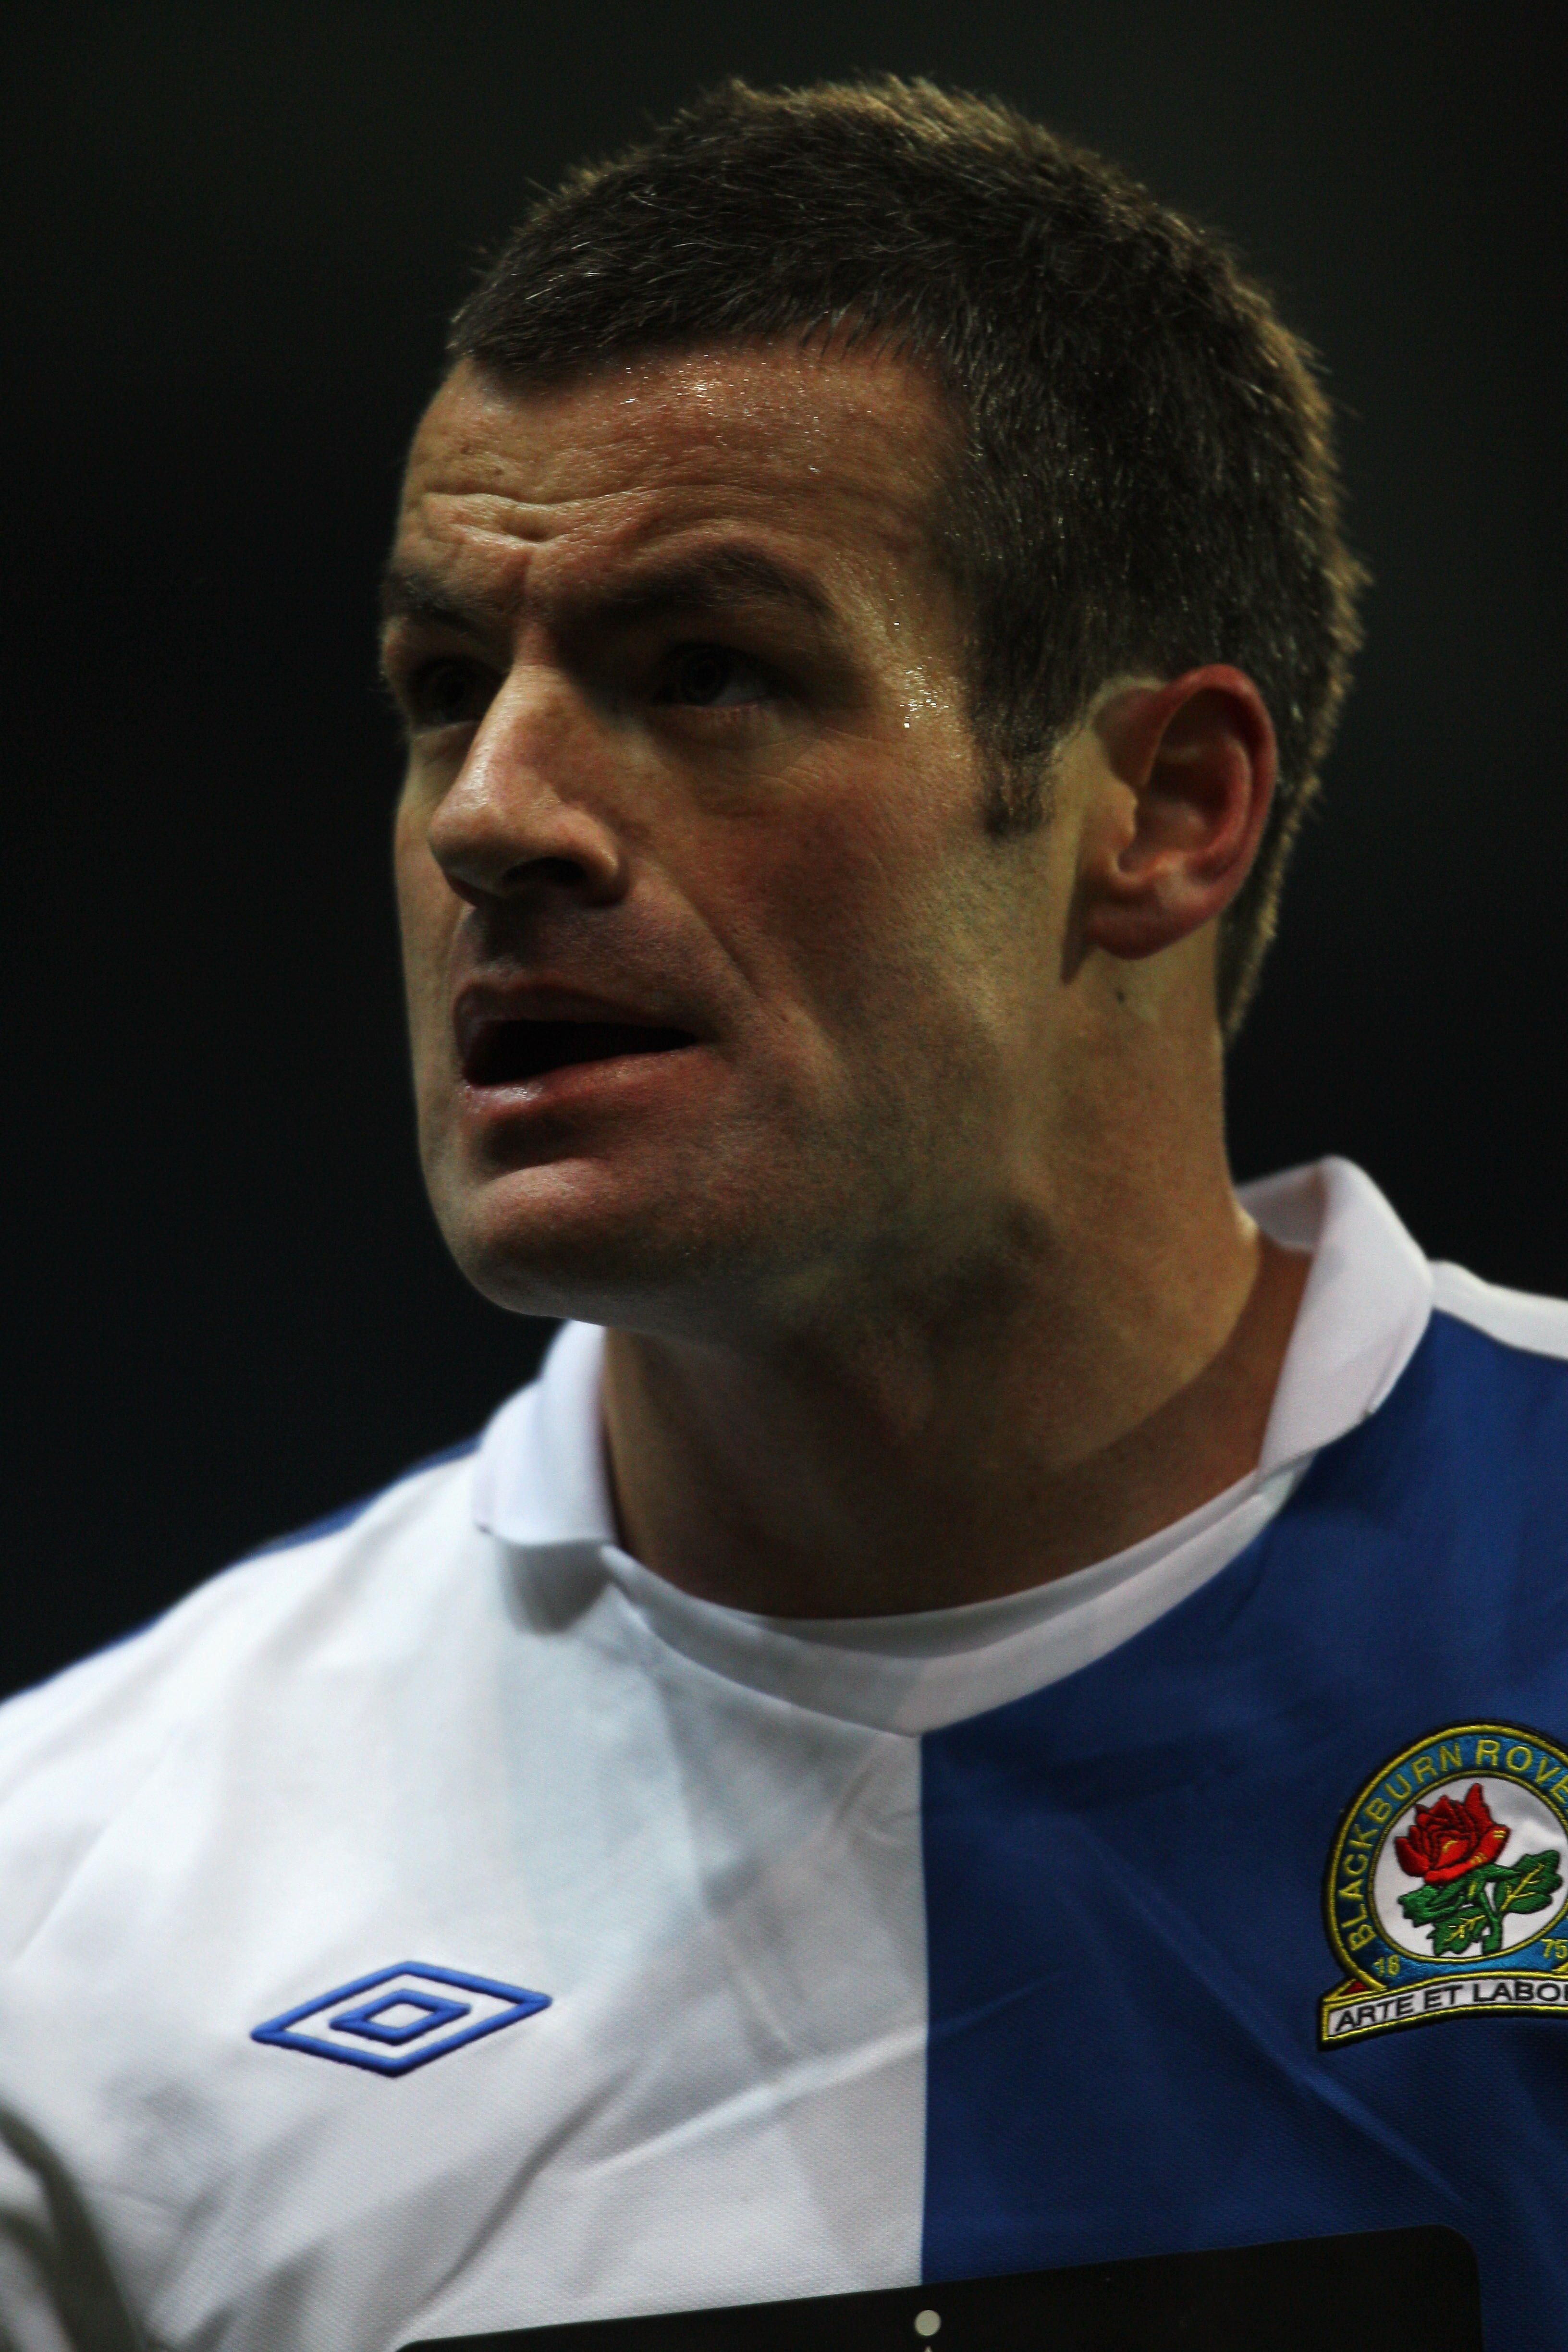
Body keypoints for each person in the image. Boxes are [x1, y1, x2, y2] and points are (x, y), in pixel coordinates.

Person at [1, 75, 1562, 2352]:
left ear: (1166, 808)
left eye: (706, 672)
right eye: (444, 687)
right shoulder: (73, 1933)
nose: (492, 815)